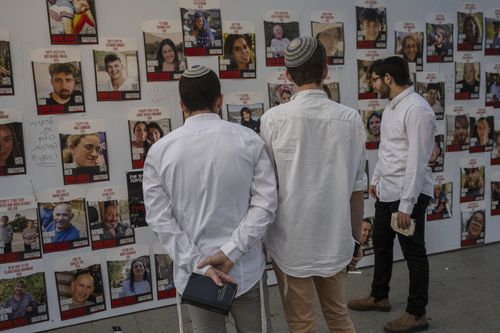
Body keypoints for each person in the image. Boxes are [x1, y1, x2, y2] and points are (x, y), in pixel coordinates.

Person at [144, 65, 277, 332]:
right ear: (220, 100)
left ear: (182, 105)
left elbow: (160, 219)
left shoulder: (159, 152)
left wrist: (198, 263)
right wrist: (232, 251)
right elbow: (265, 204)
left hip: (197, 276)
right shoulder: (249, 140)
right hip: (244, 269)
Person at [261, 37, 366, 332]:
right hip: (335, 238)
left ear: (288, 75)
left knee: (302, 324)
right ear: (326, 70)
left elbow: (267, 189)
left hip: (290, 242)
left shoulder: (272, 120)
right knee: (339, 316)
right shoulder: (351, 119)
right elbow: (356, 189)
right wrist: (356, 239)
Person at [348, 56, 436, 333]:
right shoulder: (391, 107)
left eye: (374, 79)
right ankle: (379, 296)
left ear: (388, 78)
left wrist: (407, 205)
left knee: (414, 254)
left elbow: (417, 161)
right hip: (388, 191)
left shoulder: (417, 109)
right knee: (383, 245)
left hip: (407, 195)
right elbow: (388, 150)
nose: (372, 84)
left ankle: (417, 312)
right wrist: (375, 179)